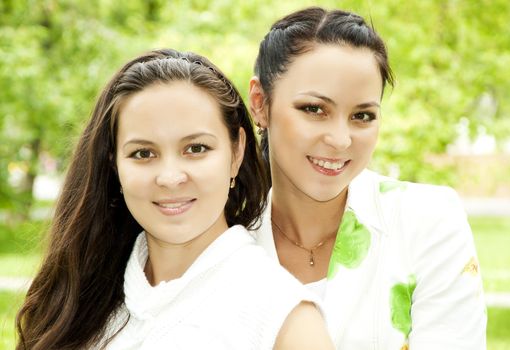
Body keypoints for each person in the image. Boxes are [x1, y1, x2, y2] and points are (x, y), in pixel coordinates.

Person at [15, 49, 334, 350]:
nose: (170, 177)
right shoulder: (80, 298)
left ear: (236, 152)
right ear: (114, 165)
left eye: (196, 149)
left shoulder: (284, 317)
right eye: (143, 153)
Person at [248, 7, 486, 350]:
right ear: (260, 103)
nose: (341, 139)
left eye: (362, 115)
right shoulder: (221, 237)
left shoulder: (428, 221)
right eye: (314, 109)